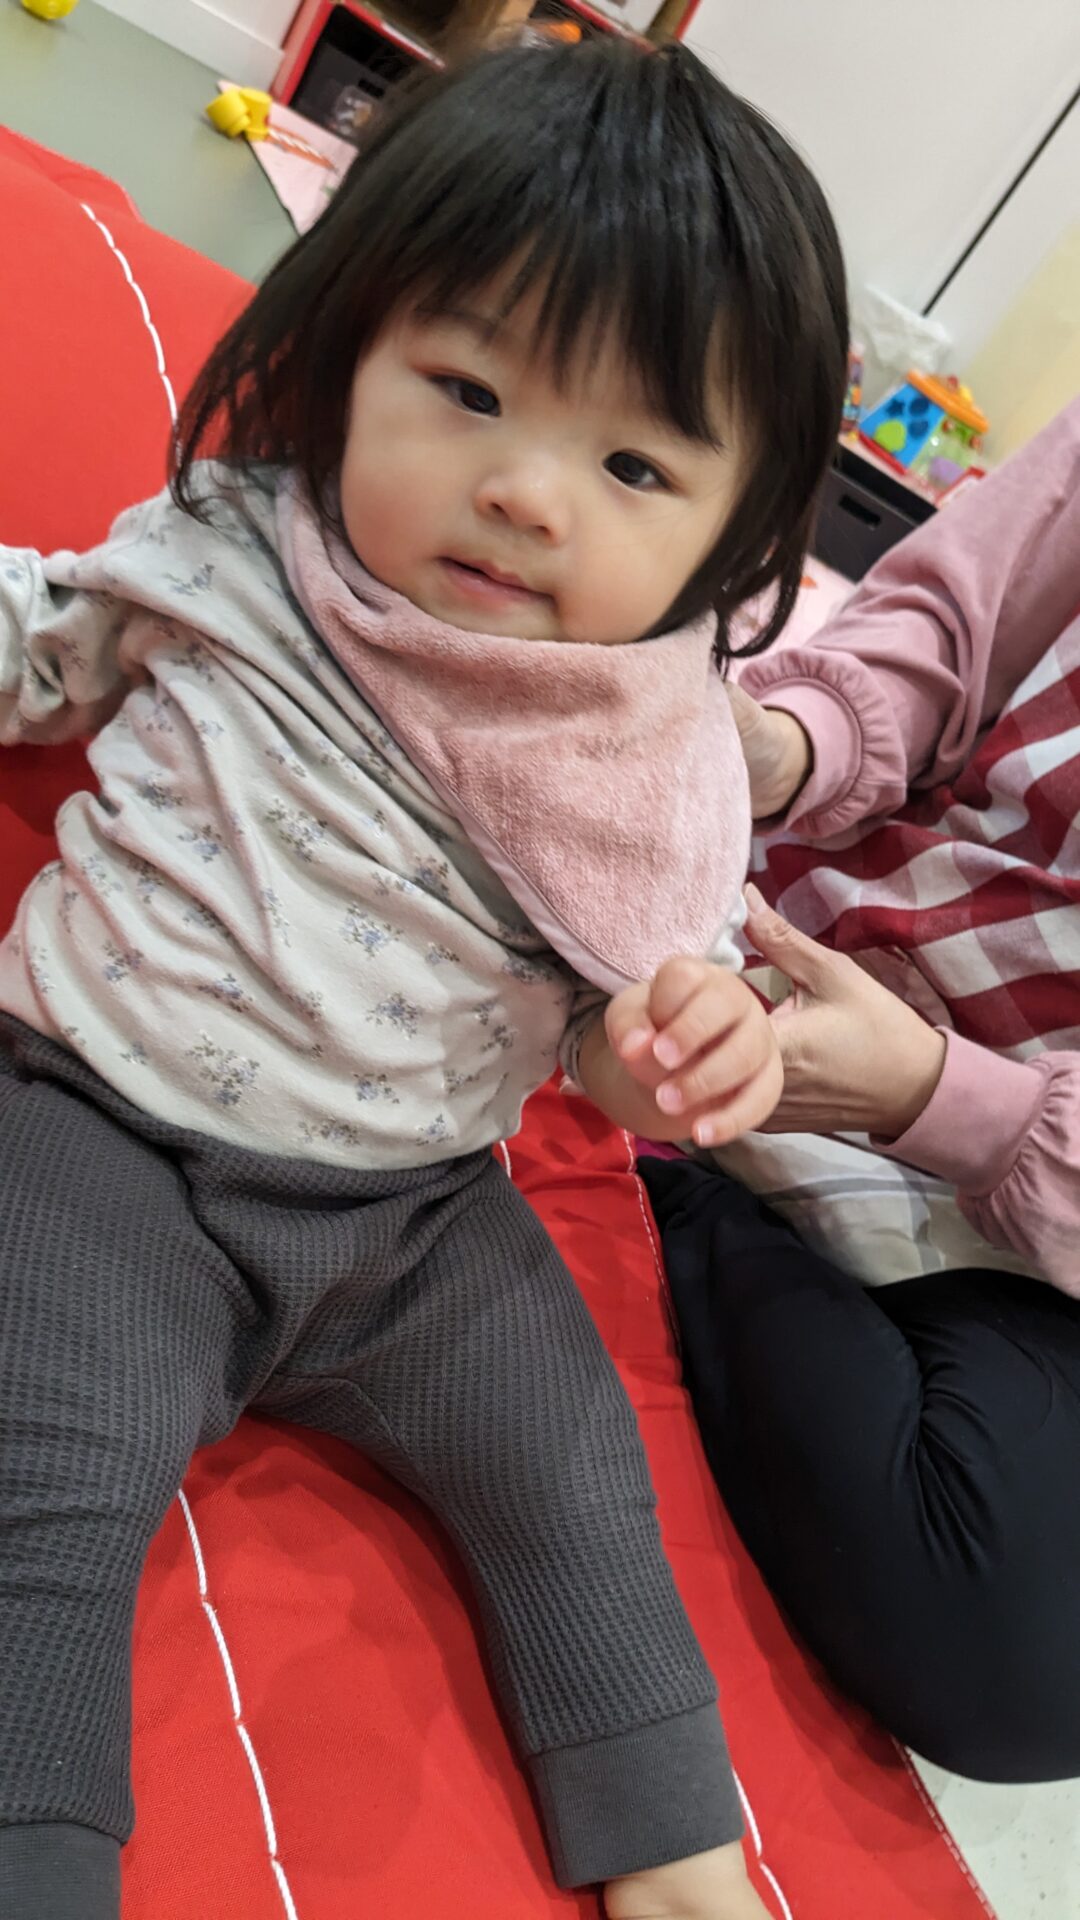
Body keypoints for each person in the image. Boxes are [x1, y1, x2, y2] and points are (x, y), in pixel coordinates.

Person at [0, 38, 848, 1920]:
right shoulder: (245, 555)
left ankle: (685, 1858)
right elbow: (44, 645)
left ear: (734, 536)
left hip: (416, 1222)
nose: (528, 493)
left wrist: (685, 1049)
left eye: (634, 464)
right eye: (468, 391)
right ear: (345, 346)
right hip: (97, 1147)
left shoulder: (653, 744)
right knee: (38, 1478)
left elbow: (630, 1031)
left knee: (577, 1476)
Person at [642, 398, 1080, 1788]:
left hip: (1030, 1209)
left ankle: (651, 1171)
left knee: (1021, 1660)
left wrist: (940, 1099)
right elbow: (946, 625)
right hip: (812, 921)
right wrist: (796, 744)